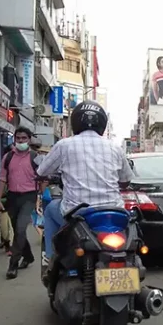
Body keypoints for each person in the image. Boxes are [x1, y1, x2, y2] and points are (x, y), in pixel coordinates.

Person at [37, 101, 133, 263]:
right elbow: (125, 181)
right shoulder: (115, 147)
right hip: (112, 213)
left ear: (75, 122)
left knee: (51, 208)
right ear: (102, 123)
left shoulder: (64, 145)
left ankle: (50, 258)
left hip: (77, 214)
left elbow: (41, 172)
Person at [0, 128, 39, 279]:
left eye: (24, 138)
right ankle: (28, 256)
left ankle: (13, 265)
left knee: (21, 228)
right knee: (17, 229)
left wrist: (39, 195)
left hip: (29, 197)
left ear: (29, 139)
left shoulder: (35, 157)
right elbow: (2, 179)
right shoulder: (7, 157)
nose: (21, 141)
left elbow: (43, 176)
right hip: (12, 197)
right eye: (18, 138)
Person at [0, 145, 14, 254]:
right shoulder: (1, 176)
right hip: (3, 206)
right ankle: (6, 242)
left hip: (14, 204)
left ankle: (11, 247)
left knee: (13, 228)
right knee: (4, 229)